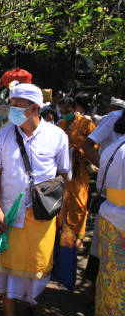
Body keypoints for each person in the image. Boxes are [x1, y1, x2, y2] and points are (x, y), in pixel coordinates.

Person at [0, 83, 70, 316]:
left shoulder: (57, 136)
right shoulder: (4, 135)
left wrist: (63, 217)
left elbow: (63, 177)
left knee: (38, 264)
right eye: (11, 103)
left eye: (18, 105)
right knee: (7, 267)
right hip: (9, 214)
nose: (12, 109)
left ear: (35, 108)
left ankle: (35, 302)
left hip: (42, 214)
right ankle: (10, 314)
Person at [94, 110, 125, 316]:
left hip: (109, 215)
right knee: (119, 286)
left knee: (109, 280)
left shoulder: (115, 146)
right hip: (121, 221)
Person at [57, 96, 95, 253]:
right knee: (64, 202)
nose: (64, 113)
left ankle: (79, 237)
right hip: (64, 172)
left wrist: (78, 151)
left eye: (68, 110)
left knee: (79, 202)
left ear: (75, 109)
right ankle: (66, 235)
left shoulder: (86, 124)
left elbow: (94, 144)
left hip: (80, 170)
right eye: (62, 110)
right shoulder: (60, 124)